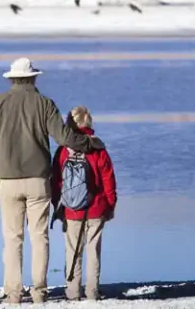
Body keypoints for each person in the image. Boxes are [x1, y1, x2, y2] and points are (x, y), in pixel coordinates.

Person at [0, 57, 105, 304]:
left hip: (8, 179)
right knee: (39, 236)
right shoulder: (44, 103)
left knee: (12, 237)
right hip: (38, 179)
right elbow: (63, 137)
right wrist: (89, 143)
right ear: (34, 78)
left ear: (13, 78)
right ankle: (39, 291)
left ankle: (14, 293)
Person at [52, 106, 117, 301]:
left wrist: (58, 206)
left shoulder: (63, 150)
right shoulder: (98, 148)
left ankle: (72, 292)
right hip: (96, 208)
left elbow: (56, 181)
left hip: (71, 209)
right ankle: (92, 291)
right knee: (93, 250)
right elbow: (108, 179)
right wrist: (110, 205)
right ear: (89, 123)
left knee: (73, 250)